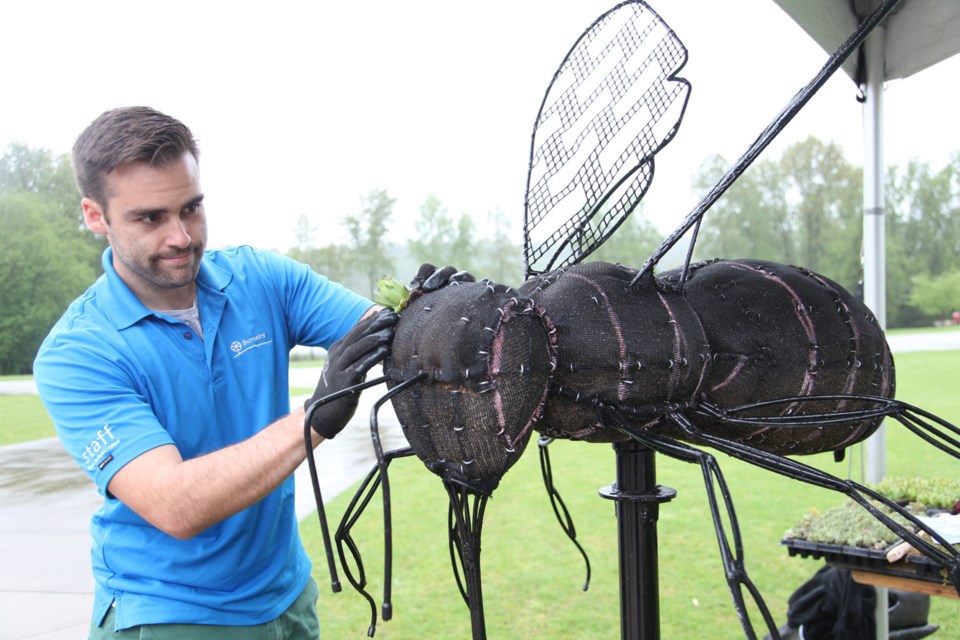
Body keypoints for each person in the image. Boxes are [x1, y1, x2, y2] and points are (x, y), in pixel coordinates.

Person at [33, 106, 459, 639]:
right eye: (150, 217)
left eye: (191, 208)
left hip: (285, 593)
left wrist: (442, 313)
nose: (181, 236)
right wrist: (315, 416)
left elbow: (387, 333)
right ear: (96, 216)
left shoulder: (259, 279)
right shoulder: (79, 352)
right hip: (173, 611)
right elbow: (174, 503)